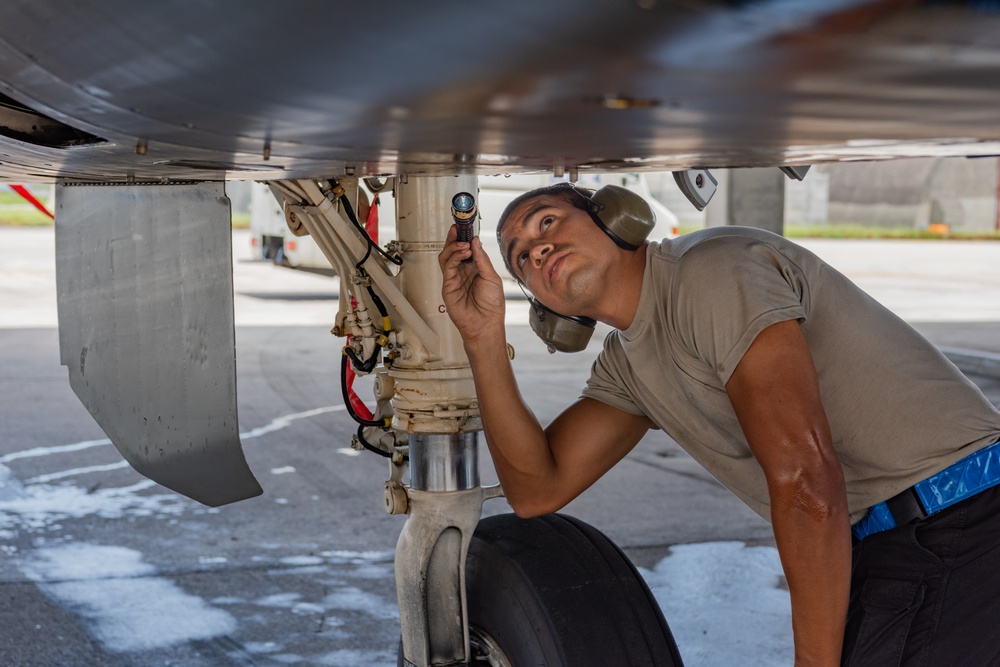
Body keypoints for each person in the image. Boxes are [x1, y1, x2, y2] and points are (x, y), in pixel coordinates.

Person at [437, 182, 1000, 667]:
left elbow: (805, 479)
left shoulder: (710, 270)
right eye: (520, 258)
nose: (539, 249)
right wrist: (483, 337)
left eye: (548, 222)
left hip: (964, 520)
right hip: (903, 546)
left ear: (614, 217)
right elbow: (537, 488)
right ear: (540, 303)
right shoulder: (628, 362)